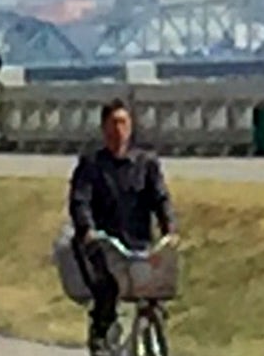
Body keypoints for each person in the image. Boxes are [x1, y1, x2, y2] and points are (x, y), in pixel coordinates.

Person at [68, 98, 176, 355]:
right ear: (104, 127)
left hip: (138, 243)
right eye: (113, 123)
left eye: (124, 123)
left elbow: (161, 198)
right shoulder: (92, 164)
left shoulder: (146, 163)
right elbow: (79, 201)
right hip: (103, 245)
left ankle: (153, 335)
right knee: (107, 290)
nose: (119, 130)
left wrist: (170, 228)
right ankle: (101, 334)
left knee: (154, 291)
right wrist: (87, 230)